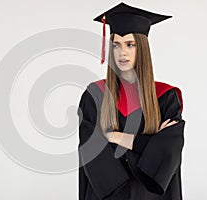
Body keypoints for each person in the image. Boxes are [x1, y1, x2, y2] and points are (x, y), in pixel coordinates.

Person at [77, 2, 185, 200]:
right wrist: (147, 143)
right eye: (116, 45)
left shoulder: (166, 97)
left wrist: (114, 137)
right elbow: (90, 149)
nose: (122, 52)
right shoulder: (95, 95)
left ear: (142, 48)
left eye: (130, 44)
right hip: (109, 195)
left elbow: (168, 152)